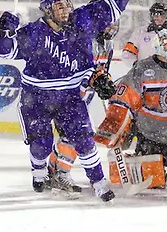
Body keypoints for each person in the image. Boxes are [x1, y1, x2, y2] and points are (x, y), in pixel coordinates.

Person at [0, 0, 151, 202]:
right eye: (59, 7)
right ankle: (38, 171)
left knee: (85, 141)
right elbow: (5, 51)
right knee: (42, 145)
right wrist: (4, 31)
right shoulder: (34, 33)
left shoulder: (82, 20)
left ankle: (99, 183)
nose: (65, 10)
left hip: (69, 96)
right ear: (47, 11)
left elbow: (112, 6)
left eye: (67, 4)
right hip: (35, 97)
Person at [94, 28, 167, 188]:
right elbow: (123, 100)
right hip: (150, 133)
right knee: (153, 178)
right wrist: (114, 128)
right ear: (159, 45)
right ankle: (144, 160)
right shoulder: (142, 68)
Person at [47, 22, 119, 194]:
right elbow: (72, 70)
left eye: (113, 25)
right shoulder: (82, 41)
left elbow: (103, 69)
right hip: (66, 94)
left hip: (84, 96)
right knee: (74, 135)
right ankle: (62, 174)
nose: (111, 28)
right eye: (107, 24)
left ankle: (52, 171)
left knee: (69, 134)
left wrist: (104, 82)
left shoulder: (108, 44)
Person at [122, 2, 167, 68]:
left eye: (163, 16)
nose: (160, 19)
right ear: (151, 17)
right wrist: (135, 65)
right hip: (144, 74)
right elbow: (128, 53)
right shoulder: (140, 33)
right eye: (156, 16)